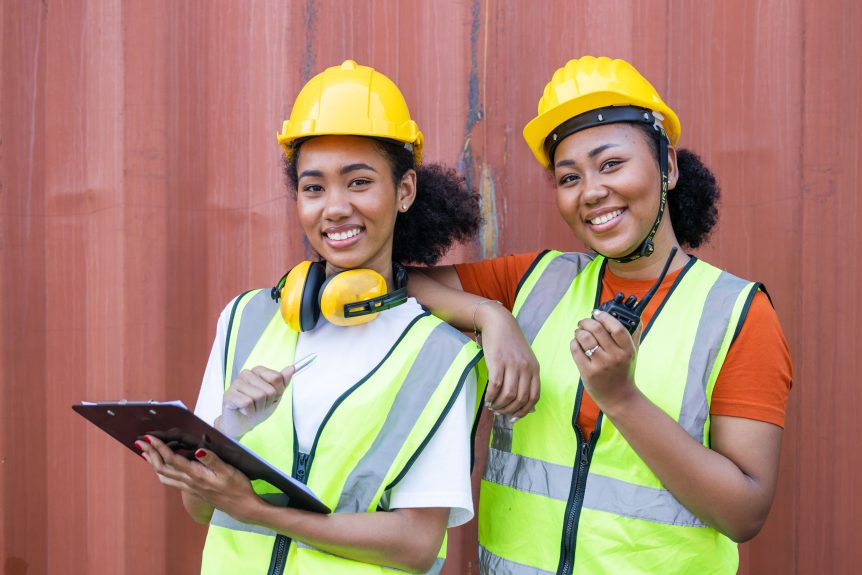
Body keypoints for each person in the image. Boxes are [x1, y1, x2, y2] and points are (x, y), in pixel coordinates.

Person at [408, 56, 792, 574]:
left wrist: (621, 398)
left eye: (611, 164)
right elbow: (392, 285)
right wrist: (489, 314)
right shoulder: (534, 283)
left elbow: (744, 512)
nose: (590, 192)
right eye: (569, 177)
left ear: (669, 166)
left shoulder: (739, 313)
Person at [135, 60, 486, 575]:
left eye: (359, 182)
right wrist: (224, 433)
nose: (335, 208)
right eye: (314, 187)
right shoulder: (245, 319)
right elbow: (202, 509)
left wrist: (256, 510)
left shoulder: (440, 354)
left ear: (405, 191)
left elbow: (415, 542)